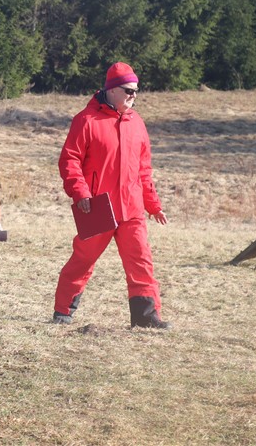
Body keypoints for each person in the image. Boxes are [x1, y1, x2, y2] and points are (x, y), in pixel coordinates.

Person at [54, 61, 170, 329]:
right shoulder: (86, 120)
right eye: (129, 90)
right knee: (83, 260)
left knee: (141, 261)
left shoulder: (137, 123)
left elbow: (143, 170)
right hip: (96, 207)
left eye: (136, 91)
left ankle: (146, 317)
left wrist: (153, 205)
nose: (134, 95)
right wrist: (81, 193)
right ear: (112, 90)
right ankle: (63, 311)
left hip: (132, 209)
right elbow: (70, 161)